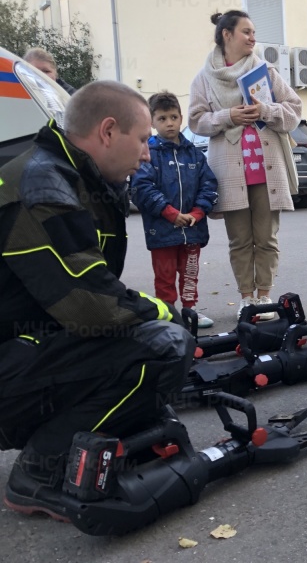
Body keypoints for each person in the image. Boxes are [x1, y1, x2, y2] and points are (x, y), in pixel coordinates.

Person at [0, 81, 194, 522]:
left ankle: (85, 443)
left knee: (150, 341)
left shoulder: (69, 173)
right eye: (143, 139)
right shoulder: (42, 184)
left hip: (20, 348)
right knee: (163, 347)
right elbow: (91, 305)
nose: (147, 153)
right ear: (108, 131)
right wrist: (162, 312)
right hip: (12, 358)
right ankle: (40, 470)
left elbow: (91, 285)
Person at [189, 10, 302, 318]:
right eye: (247, 32)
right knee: (239, 240)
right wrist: (229, 116)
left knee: (267, 237)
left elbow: (294, 110)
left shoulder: (265, 72)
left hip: (268, 169)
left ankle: (265, 297)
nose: (253, 38)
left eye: (254, 32)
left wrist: (265, 109)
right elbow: (195, 121)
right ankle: (246, 298)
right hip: (228, 172)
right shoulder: (204, 78)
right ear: (227, 35)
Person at [131, 91, 219, 328]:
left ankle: (190, 312)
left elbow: (209, 185)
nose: (169, 123)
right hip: (162, 232)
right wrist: (170, 213)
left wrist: (198, 213)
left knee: (190, 274)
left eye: (173, 117)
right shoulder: (148, 153)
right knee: (165, 278)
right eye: (162, 118)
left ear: (181, 118)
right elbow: (142, 188)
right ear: (152, 122)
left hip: (193, 229)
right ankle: (168, 315)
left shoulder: (193, 153)